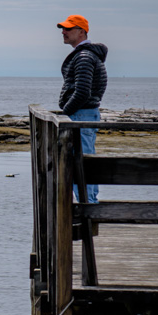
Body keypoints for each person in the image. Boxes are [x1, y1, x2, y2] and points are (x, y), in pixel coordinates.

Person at [57, 15, 108, 203]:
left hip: (81, 115)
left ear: (81, 32)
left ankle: (88, 208)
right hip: (85, 114)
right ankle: (88, 204)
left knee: (80, 164)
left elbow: (82, 92)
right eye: (63, 29)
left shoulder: (85, 56)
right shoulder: (86, 54)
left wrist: (65, 113)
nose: (63, 32)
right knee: (83, 161)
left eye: (68, 29)